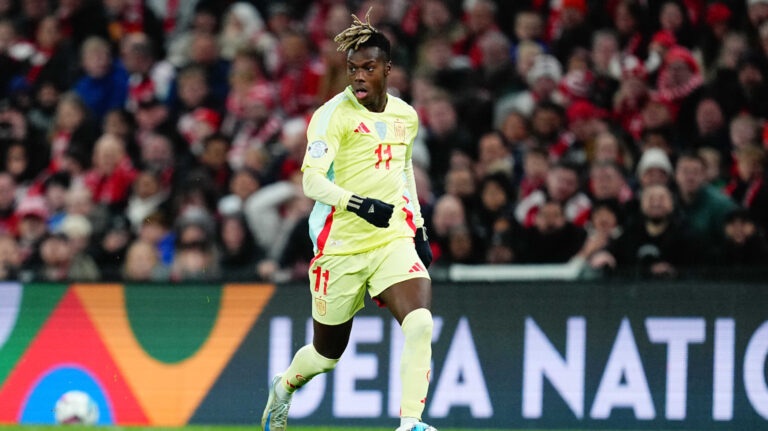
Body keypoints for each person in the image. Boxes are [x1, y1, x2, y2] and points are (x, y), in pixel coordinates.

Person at [260, 9, 435, 431]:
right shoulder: (332, 116)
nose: (358, 77)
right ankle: (283, 387)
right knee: (326, 355)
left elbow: (404, 168)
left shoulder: (405, 116)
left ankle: (410, 423)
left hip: (391, 239)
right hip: (340, 246)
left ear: (387, 69)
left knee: (420, 323)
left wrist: (418, 227)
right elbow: (311, 182)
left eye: (368, 68)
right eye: (352, 68)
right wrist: (358, 204)